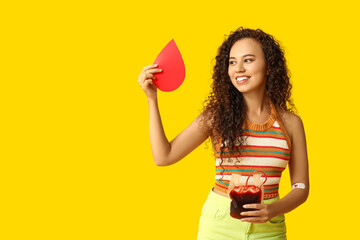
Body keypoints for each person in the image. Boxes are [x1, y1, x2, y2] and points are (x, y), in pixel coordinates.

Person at [138, 27, 309, 240]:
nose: (238, 69)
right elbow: (164, 156)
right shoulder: (216, 117)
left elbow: (300, 187)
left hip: (270, 229)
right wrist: (152, 100)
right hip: (219, 227)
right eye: (232, 62)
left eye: (248, 60)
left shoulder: (291, 123)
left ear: (268, 67)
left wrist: (273, 210)